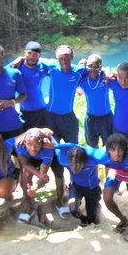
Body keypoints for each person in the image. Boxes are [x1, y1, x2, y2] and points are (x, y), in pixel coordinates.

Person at [45, 45, 88, 217]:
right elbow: (30, 61)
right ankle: (59, 195)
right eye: (61, 57)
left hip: (69, 119)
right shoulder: (51, 67)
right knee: (54, 154)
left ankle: (75, 189)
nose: (65, 60)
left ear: (72, 56)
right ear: (57, 58)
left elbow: (95, 69)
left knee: (74, 153)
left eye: (68, 56)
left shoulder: (79, 70)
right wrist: (18, 60)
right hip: (51, 118)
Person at [55, 144, 105, 225]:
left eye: (78, 164)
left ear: (84, 162)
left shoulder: (92, 161)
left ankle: (94, 211)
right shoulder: (63, 160)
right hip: (76, 186)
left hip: (92, 188)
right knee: (73, 210)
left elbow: (106, 153)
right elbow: (56, 146)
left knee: (92, 218)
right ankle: (84, 220)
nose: (74, 168)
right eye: (72, 164)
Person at [13, 41, 53, 129]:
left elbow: (60, 70)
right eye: (29, 53)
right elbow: (1, 74)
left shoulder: (42, 67)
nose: (32, 56)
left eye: (35, 54)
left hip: (41, 110)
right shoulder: (17, 66)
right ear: (25, 53)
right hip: (24, 111)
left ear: (39, 56)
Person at [79, 54, 112, 148]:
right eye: (90, 66)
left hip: (106, 118)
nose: (93, 69)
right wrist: (80, 64)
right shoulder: (83, 81)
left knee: (109, 146)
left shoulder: (106, 79)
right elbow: (73, 72)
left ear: (100, 67)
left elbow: (118, 76)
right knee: (92, 147)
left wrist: (105, 71)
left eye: (96, 66)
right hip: (91, 118)